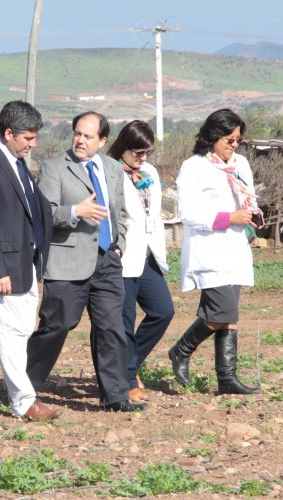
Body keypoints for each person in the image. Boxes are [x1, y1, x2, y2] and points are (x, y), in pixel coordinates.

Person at [26, 111, 145, 412]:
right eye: (77, 133)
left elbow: (118, 213)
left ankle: (115, 396)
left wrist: (118, 245)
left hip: (106, 260)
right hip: (68, 261)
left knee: (111, 327)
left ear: (102, 140)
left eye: (88, 136)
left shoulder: (113, 169)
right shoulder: (55, 167)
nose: (80, 140)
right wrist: (76, 212)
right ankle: (23, 389)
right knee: (57, 325)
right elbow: (44, 214)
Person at [0, 100, 61, 421]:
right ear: (8, 133)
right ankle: (24, 402)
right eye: (28, 139)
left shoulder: (16, 163)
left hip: (25, 262)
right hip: (5, 266)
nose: (32, 145)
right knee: (10, 335)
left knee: (15, 330)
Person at [169, 108, 262, 395]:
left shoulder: (241, 164)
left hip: (235, 247)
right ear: (213, 137)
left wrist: (252, 213)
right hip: (209, 248)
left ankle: (227, 378)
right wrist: (228, 218)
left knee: (231, 314)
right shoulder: (193, 167)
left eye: (238, 140)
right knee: (221, 309)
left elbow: (249, 198)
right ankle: (181, 350)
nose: (234, 145)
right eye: (229, 139)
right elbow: (189, 213)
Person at [106, 120, 174, 402]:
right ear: (123, 147)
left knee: (163, 311)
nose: (142, 158)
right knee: (125, 321)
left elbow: (153, 212)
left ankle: (130, 365)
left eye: (147, 152)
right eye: (137, 152)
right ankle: (127, 377)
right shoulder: (110, 171)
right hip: (123, 255)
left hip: (148, 254)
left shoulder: (149, 172)